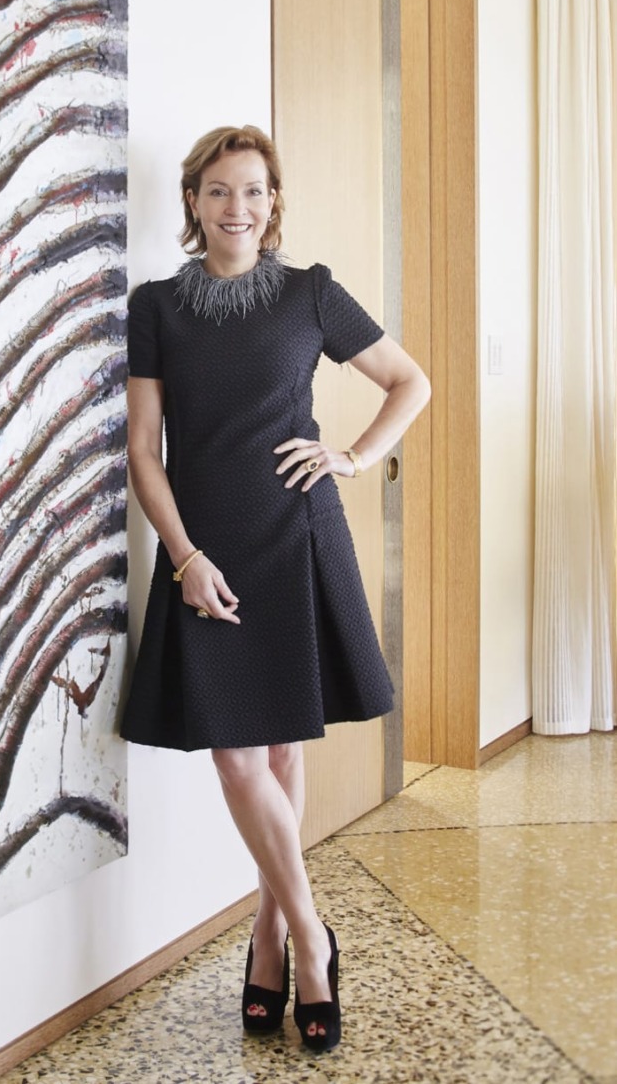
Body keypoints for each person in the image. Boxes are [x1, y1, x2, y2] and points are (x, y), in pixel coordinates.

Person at [121, 124, 430, 1051]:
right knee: (237, 756)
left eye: (253, 190)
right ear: (192, 202)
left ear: (274, 200)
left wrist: (352, 455)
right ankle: (309, 937)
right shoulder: (157, 306)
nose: (237, 208)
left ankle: (265, 934)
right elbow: (145, 449)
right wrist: (182, 556)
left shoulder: (311, 294)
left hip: (296, 537)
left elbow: (408, 382)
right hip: (208, 552)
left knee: (283, 752)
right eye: (219, 190)